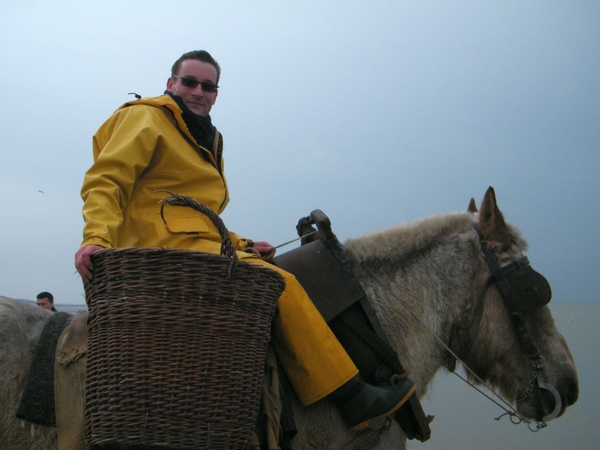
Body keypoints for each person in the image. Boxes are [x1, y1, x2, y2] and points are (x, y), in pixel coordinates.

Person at [74, 50, 415, 432]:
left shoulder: (206, 137)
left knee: (270, 268)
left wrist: (245, 244)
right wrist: (96, 238)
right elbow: (107, 180)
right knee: (278, 285)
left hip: (192, 240)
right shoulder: (147, 117)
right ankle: (352, 398)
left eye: (208, 86)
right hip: (159, 245)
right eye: (189, 82)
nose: (198, 92)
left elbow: (199, 215)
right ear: (170, 84)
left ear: (216, 94)